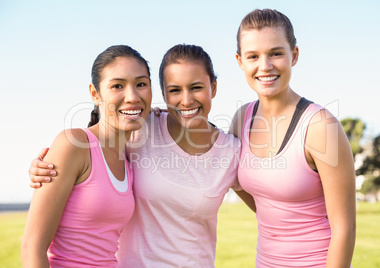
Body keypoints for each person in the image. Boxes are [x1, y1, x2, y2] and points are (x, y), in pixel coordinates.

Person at [28, 44, 255, 267]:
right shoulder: (128, 134)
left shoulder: (230, 152)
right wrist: (49, 164)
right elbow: (32, 247)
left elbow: (271, 203)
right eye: (175, 90)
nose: (186, 100)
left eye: (140, 84)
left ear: (213, 88)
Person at [230, 8, 356, 267]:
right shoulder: (241, 118)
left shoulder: (320, 126)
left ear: (293, 55)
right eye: (253, 56)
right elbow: (233, 179)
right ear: (240, 61)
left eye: (276, 53)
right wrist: (162, 117)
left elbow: (344, 229)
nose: (265, 66)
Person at [21, 45, 152, 267]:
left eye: (141, 84)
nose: (132, 96)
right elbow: (32, 247)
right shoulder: (74, 144)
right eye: (117, 86)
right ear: (95, 93)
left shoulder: (128, 159)